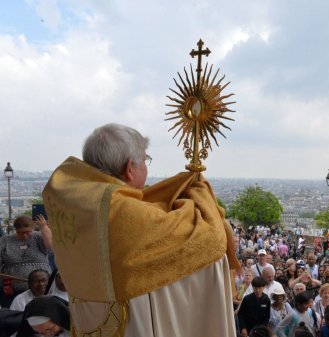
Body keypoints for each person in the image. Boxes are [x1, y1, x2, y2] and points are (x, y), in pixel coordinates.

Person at [42, 123, 239, 336]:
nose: (147, 166)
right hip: (130, 322)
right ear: (130, 168)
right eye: (145, 160)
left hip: (86, 318)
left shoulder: (77, 202)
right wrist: (199, 192)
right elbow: (210, 238)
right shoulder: (120, 211)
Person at [0, 215, 52, 307]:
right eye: (20, 232)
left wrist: (44, 227)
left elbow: (51, 247)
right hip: (12, 287)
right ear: (15, 230)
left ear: (33, 228)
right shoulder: (5, 240)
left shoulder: (38, 237)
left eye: (28, 232)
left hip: (41, 287)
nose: (24, 235)